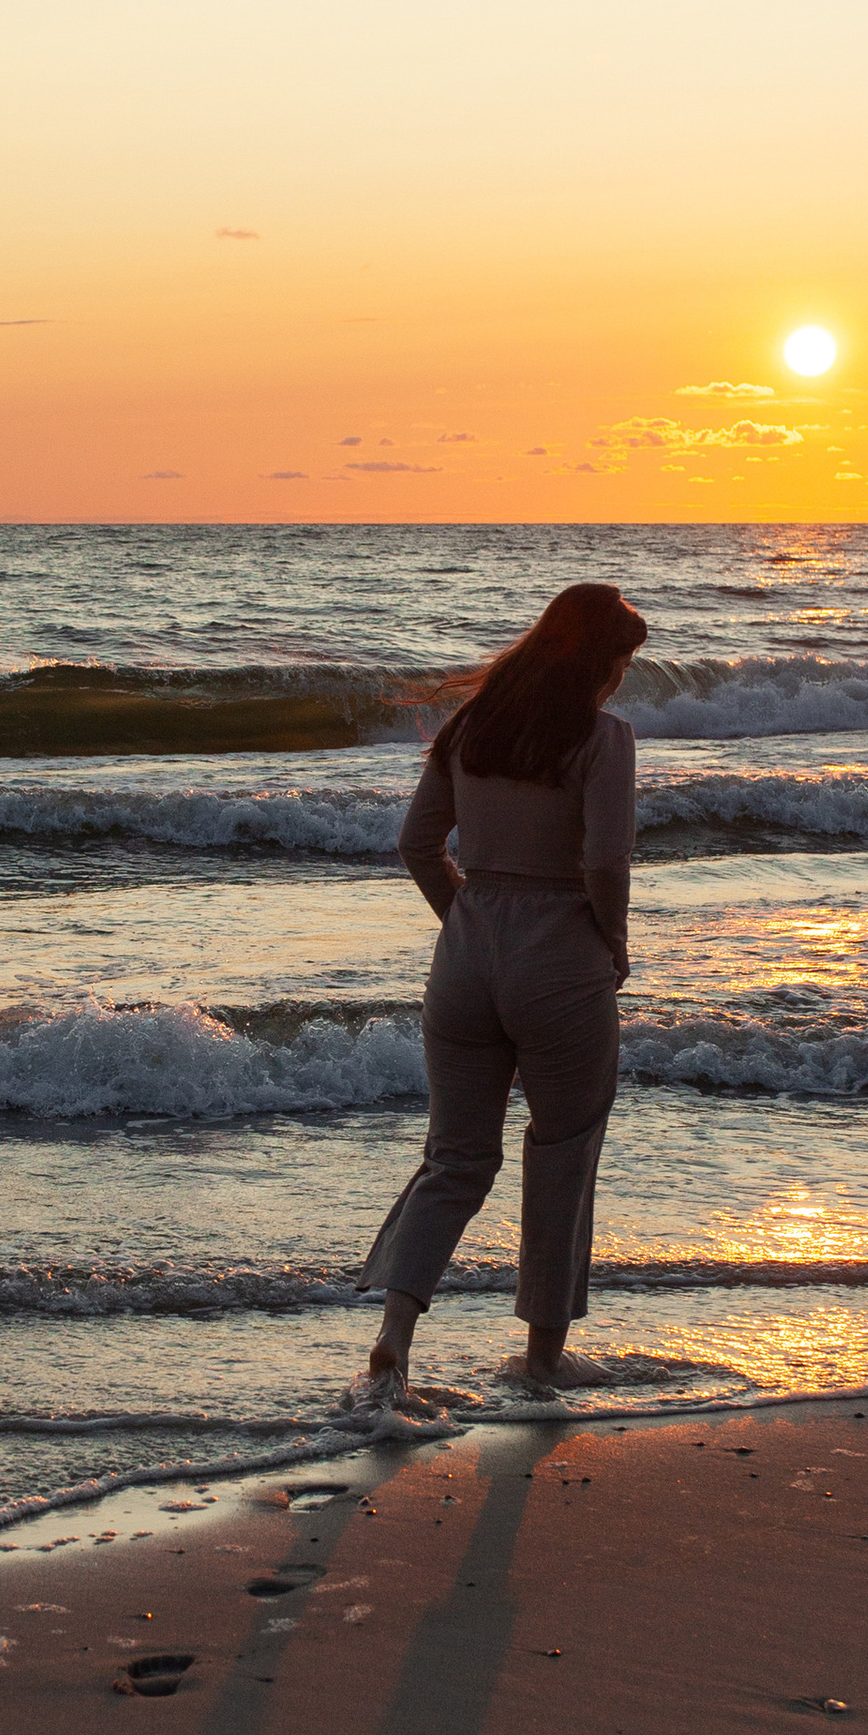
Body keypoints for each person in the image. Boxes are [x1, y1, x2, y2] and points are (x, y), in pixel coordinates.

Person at [346, 581, 645, 1422]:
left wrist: (469, 922)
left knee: (456, 1158)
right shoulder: (603, 738)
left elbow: (416, 845)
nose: (623, 677)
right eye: (622, 660)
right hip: (561, 954)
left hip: (467, 955)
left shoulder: (469, 729)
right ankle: (544, 1356)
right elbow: (605, 865)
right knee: (564, 1148)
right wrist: (611, 944)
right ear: (600, 661)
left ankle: (394, 1342)